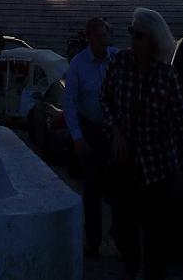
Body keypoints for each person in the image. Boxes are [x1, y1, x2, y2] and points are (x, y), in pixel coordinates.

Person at [101, 8, 183, 279]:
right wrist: (116, 131)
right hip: (125, 166)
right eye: (132, 33)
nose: (133, 40)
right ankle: (131, 264)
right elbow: (105, 100)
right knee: (123, 231)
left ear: (154, 40)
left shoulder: (167, 76)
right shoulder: (119, 63)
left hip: (158, 169)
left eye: (140, 36)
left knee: (156, 240)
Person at [62, 18, 118, 257]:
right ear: (89, 38)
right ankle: (93, 241)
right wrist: (77, 136)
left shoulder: (117, 58)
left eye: (106, 35)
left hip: (115, 131)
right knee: (92, 189)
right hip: (90, 131)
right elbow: (69, 102)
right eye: (99, 37)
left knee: (119, 186)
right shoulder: (78, 64)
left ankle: (120, 235)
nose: (104, 41)